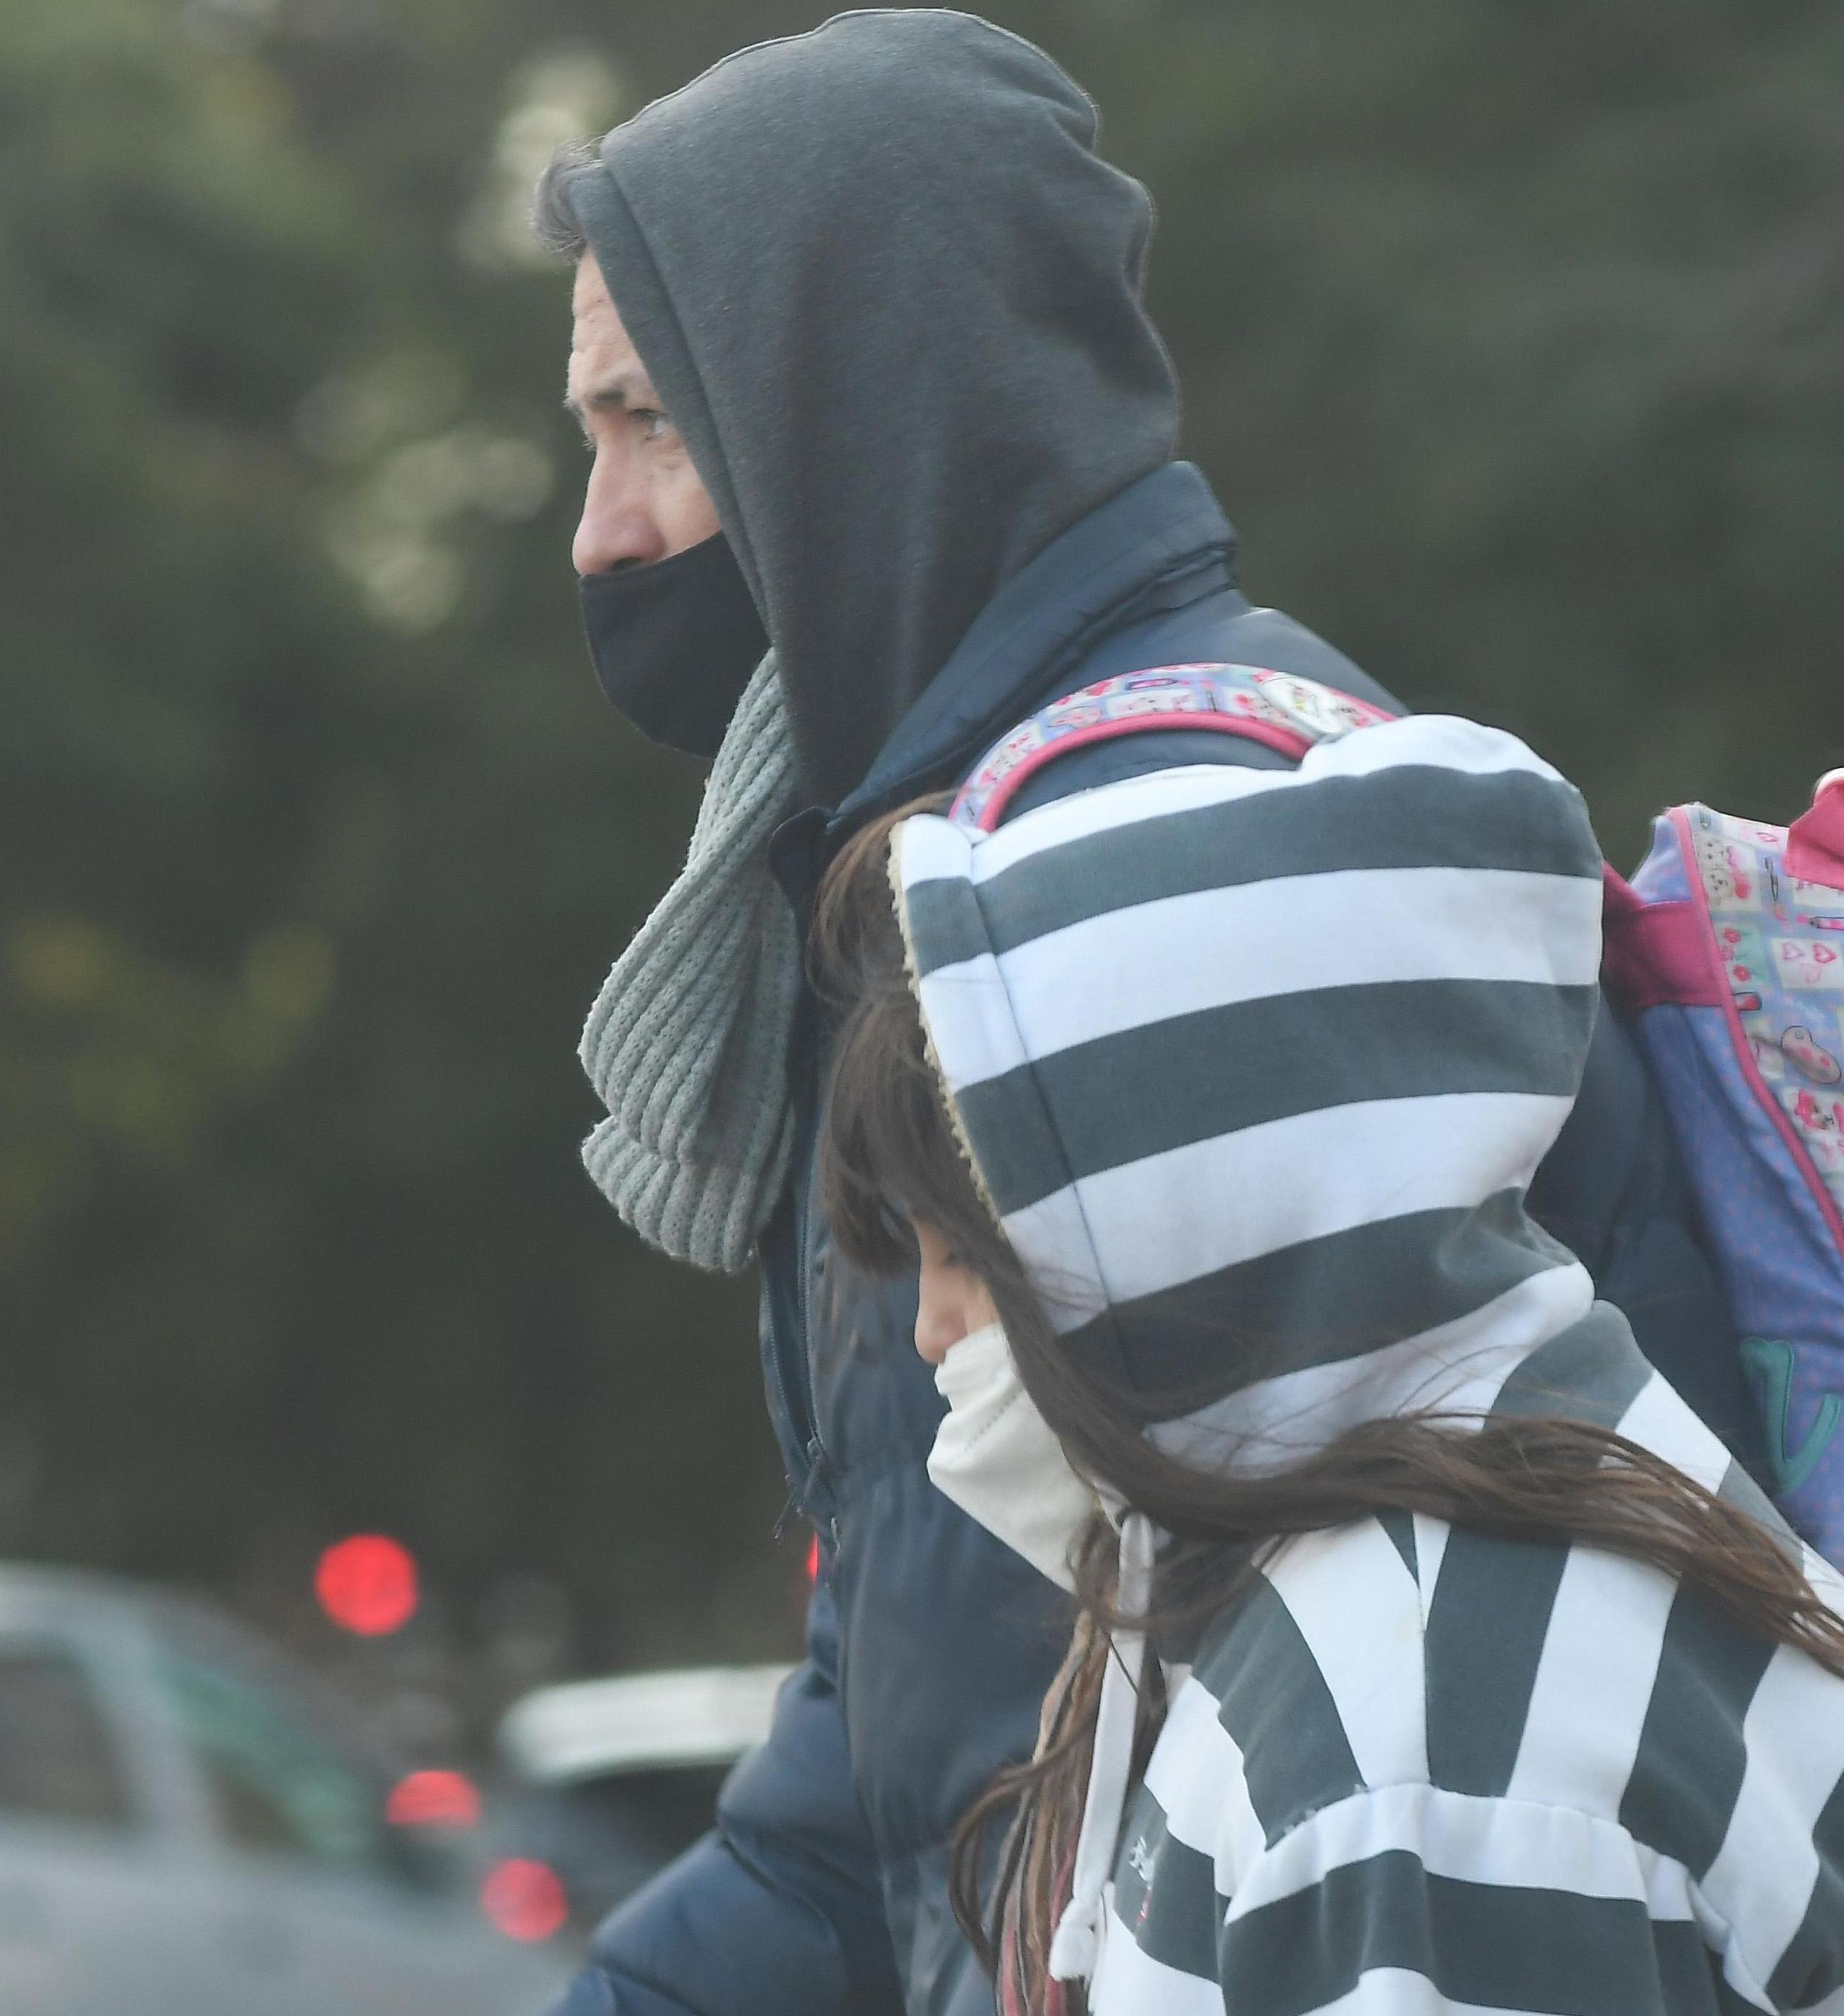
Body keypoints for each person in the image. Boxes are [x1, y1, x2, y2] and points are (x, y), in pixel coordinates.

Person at [541, 14, 1758, 2013]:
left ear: (849, 403)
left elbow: (1245, 1781)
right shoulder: (1002, 847)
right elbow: (903, 1769)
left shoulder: (1145, 910)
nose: (597, 534)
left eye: (645, 424)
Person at [808, 717, 1844, 2014]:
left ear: (1182, 1224)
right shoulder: (1477, 1511)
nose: (930, 1328)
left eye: (966, 1249)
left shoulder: (1412, 1749)